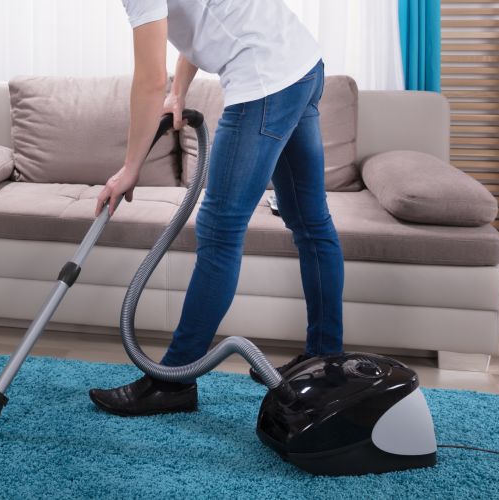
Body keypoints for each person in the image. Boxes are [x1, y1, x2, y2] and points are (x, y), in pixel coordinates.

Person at [89, 0, 346, 416]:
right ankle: (325, 362)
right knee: (311, 222)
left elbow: (149, 78)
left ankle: (171, 381)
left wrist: (130, 168)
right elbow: (200, 22)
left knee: (220, 231)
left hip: (266, 83)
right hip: (302, 65)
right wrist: (179, 92)